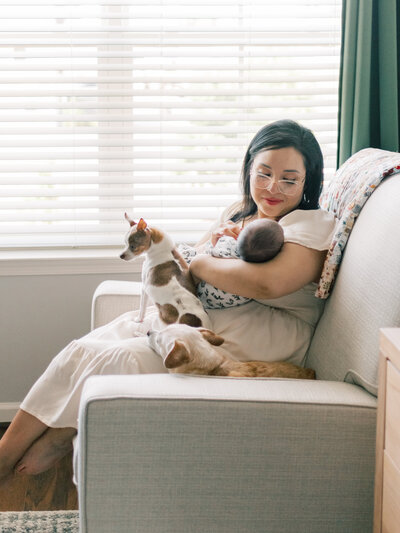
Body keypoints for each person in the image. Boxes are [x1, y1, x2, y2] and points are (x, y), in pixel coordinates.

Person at [0, 119, 337, 485]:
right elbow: (186, 270)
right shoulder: (238, 213)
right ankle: (4, 457)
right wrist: (186, 256)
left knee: (121, 357)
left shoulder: (310, 224)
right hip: (205, 314)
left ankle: (60, 434)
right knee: (82, 349)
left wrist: (205, 259)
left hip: (267, 332)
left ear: (308, 182)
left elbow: (267, 284)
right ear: (249, 169)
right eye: (264, 173)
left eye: (289, 179)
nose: (273, 188)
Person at [179, 218, 285, 309]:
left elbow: (209, 251)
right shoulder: (260, 263)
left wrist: (213, 242)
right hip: (215, 301)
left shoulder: (228, 242)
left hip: (201, 285)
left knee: (186, 253)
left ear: (242, 230)